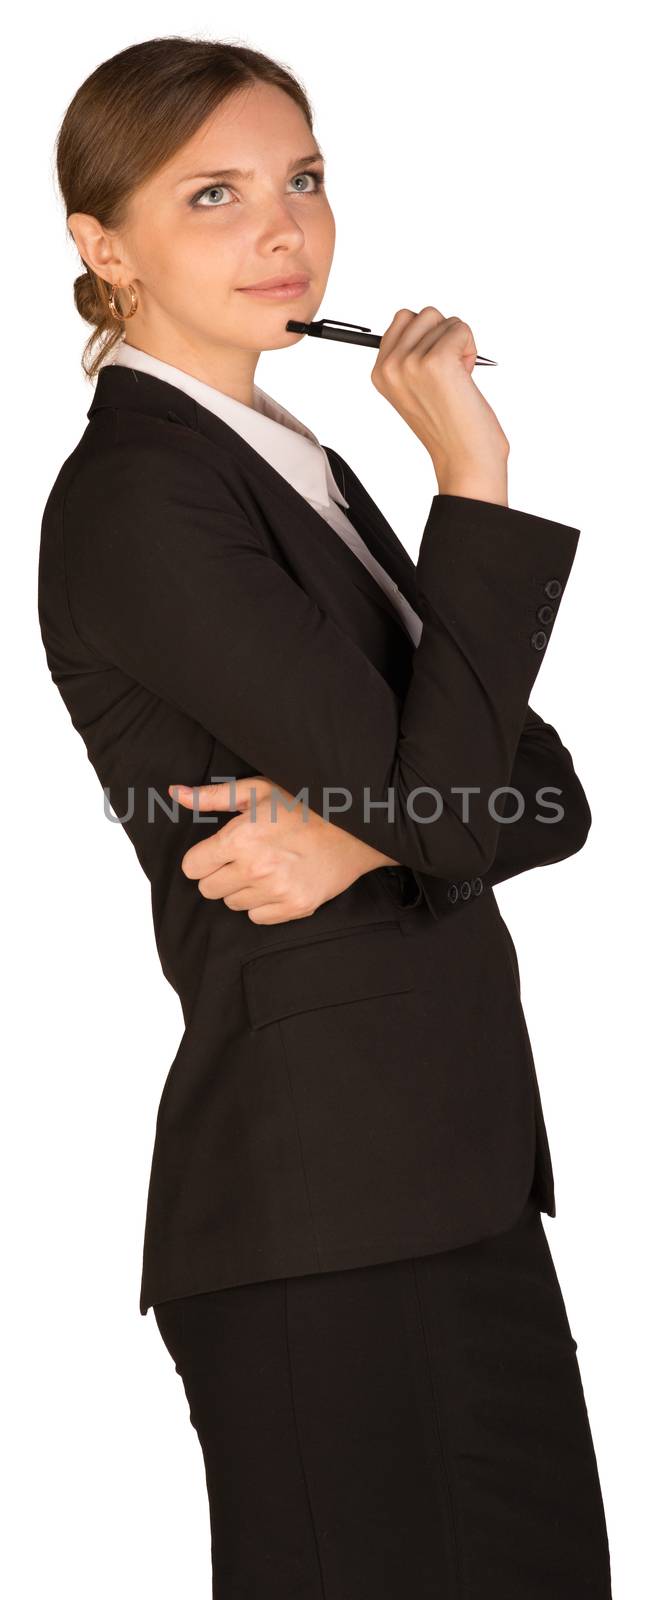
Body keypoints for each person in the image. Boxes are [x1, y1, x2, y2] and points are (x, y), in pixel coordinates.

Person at [38, 34, 612, 1599]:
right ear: (106, 249)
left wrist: (364, 832)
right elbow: (457, 793)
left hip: (453, 1176)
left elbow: (545, 790)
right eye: (212, 194)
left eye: (302, 180)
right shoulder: (143, 497)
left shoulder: (294, 465)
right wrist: (477, 478)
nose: (282, 230)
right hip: (322, 1209)